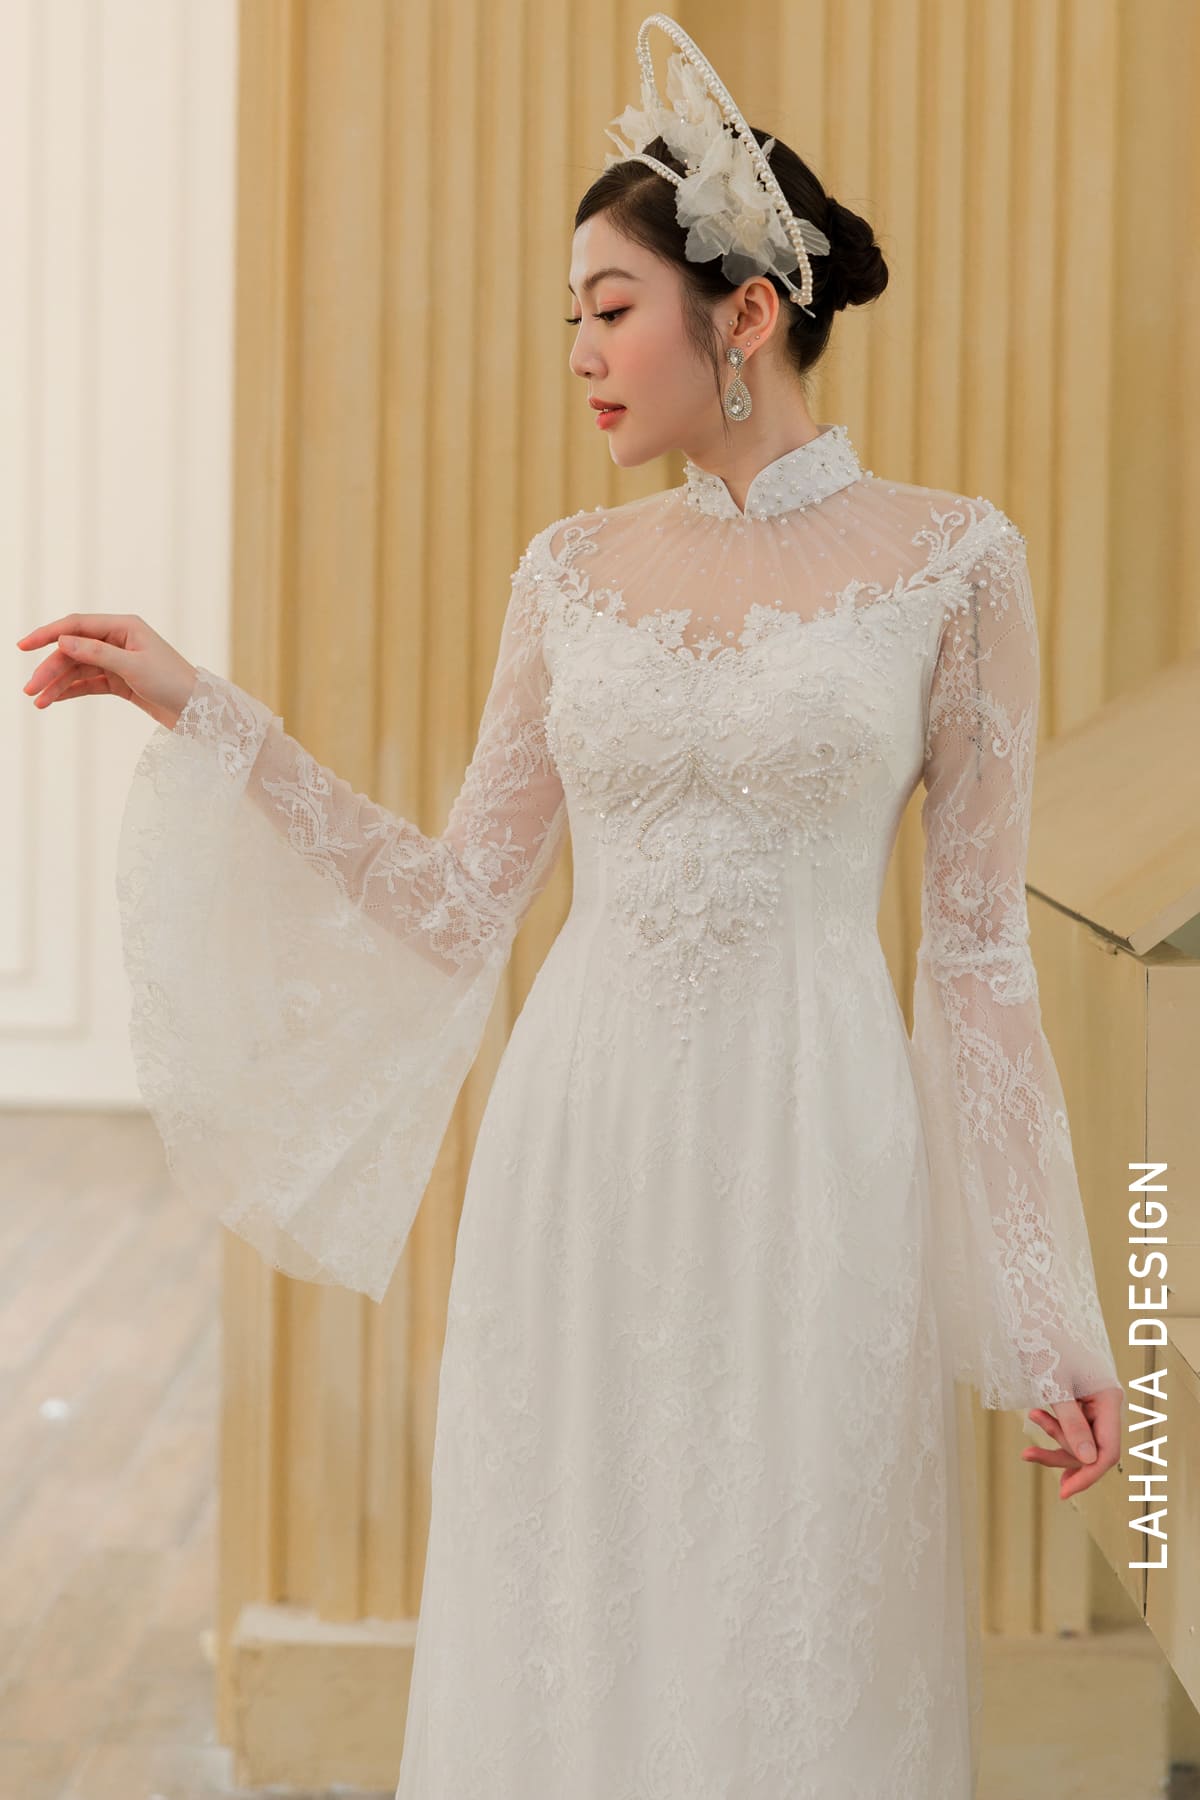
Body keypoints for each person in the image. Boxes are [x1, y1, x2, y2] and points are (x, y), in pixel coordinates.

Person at [16, 15, 1123, 1797]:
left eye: (611, 310)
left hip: (813, 1145)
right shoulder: (571, 574)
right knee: (573, 1588)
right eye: (573, 320)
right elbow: (460, 901)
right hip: (582, 1142)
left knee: (796, 1594)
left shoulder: (952, 563)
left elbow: (980, 957)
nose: (582, 356)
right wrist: (205, 713)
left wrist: (1047, 1308)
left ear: (743, 315)